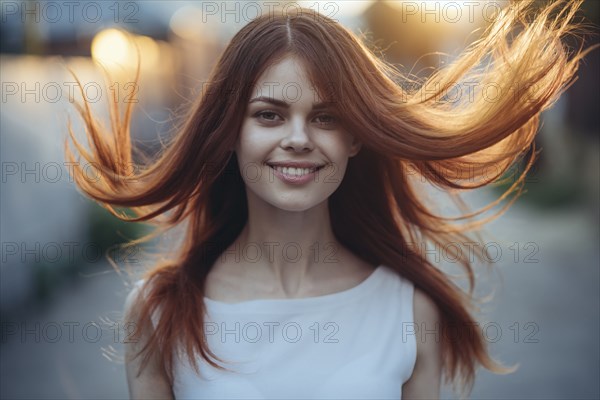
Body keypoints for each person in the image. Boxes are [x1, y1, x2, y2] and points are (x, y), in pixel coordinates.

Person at [64, 1, 594, 398]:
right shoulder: (159, 311)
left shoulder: (410, 311)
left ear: (355, 137)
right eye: (269, 114)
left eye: (326, 117)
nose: (298, 138)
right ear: (231, 132)